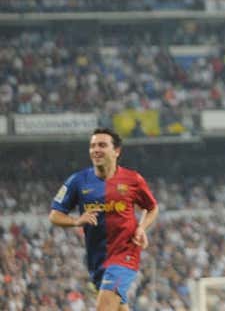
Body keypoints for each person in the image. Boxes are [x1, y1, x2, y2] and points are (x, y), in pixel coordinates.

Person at [49, 127, 160, 311]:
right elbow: (54, 215)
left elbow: (152, 208)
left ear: (116, 151)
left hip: (125, 254)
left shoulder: (133, 180)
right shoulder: (78, 181)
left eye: (102, 145)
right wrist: (76, 221)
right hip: (97, 259)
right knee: (119, 308)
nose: (95, 150)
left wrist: (142, 228)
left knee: (104, 308)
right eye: (92, 146)